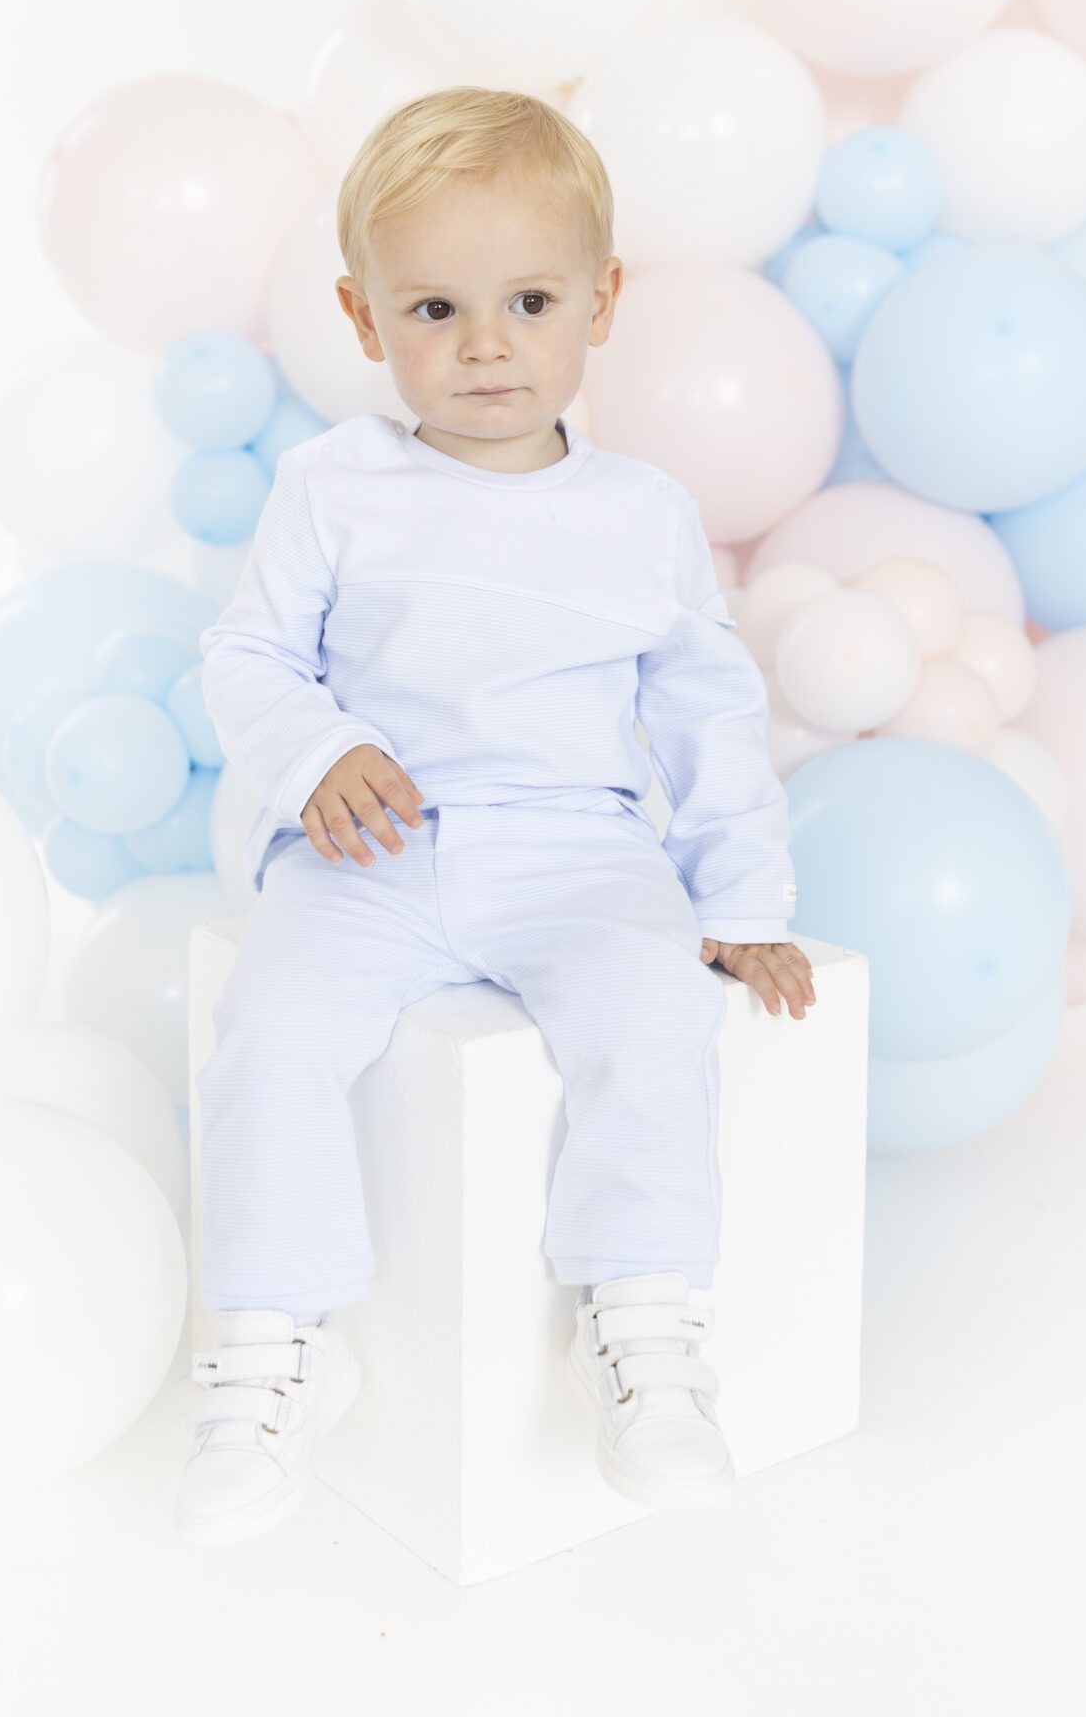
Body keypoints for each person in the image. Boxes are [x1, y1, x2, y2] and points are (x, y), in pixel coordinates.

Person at [175, 86, 815, 1546]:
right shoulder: (332, 487)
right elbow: (249, 655)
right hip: (371, 854)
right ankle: (270, 1347)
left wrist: (739, 903)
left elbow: (704, 709)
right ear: (362, 318)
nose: (484, 345)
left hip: (576, 848)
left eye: (529, 302)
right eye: (434, 309)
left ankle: (644, 1328)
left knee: (650, 1010)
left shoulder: (640, 513)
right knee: (270, 1031)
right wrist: (318, 749)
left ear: (602, 301)